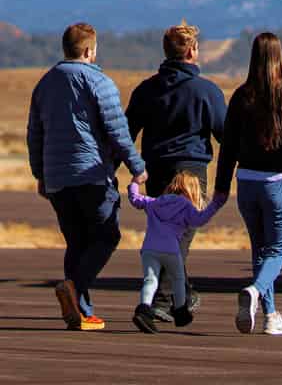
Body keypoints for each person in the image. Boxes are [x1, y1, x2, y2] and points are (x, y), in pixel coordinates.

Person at [27, 23, 148, 330]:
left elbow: (35, 135)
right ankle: (74, 288)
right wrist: (137, 167)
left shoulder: (44, 83)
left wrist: (40, 174)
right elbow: (117, 131)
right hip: (91, 174)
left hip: (57, 178)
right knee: (107, 236)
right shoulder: (99, 81)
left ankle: (80, 313)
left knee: (77, 242)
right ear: (89, 50)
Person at [125, 20, 226, 322]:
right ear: (193, 51)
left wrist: (130, 169)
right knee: (180, 237)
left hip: (156, 171)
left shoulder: (146, 90)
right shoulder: (206, 91)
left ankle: (182, 293)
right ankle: (162, 300)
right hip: (192, 172)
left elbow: (126, 132)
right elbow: (226, 134)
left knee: (166, 234)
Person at [214, 33, 282, 336]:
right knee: (278, 250)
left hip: (246, 182)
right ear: (280, 57)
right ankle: (256, 291)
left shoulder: (242, 96)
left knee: (260, 249)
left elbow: (227, 146)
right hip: (278, 182)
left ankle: (270, 315)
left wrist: (220, 188)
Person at [128, 171, 226, 334]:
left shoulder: (156, 202)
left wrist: (135, 183)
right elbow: (199, 219)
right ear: (192, 190)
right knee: (178, 279)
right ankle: (180, 311)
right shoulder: (186, 206)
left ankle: (144, 309)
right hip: (171, 250)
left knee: (150, 280)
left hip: (149, 249)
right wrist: (216, 204)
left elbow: (135, 199)